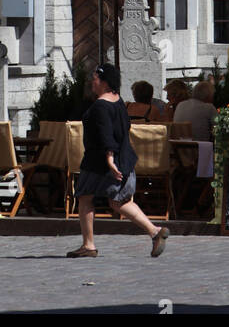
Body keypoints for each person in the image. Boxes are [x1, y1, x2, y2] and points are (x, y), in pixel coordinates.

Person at [67, 64, 167, 259]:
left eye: (94, 78)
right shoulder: (118, 101)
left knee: (85, 198)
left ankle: (88, 245)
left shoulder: (100, 106)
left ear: (104, 82)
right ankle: (155, 231)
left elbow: (106, 135)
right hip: (123, 158)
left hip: (99, 162)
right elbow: (123, 128)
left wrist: (110, 159)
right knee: (118, 201)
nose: (92, 81)